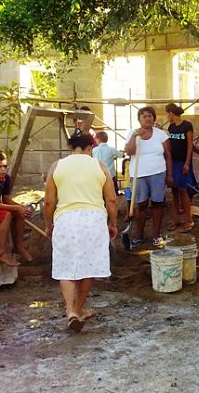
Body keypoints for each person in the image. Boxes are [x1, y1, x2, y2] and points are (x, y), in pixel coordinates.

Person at [44, 133, 118, 332]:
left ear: (71, 148)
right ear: (90, 148)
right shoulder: (100, 166)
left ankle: (71, 311)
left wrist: (49, 224)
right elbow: (111, 199)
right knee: (89, 266)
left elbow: (49, 201)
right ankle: (78, 309)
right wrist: (113, 223)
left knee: (66, 266)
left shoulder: (57, 166)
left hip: (66, 219)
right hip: (93, 220)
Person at [124, 106, 173, 249]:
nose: (148, 118)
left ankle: (156, 235)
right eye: (144, 116)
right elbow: (129, 152)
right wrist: (134, 137)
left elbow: (168, 155)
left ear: (154, 118)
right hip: (139, 174)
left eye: (150, 116)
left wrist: (170, 174)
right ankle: (139, 236)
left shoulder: (160, 134)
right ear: (139, 120)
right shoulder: (133, 133)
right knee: (141, 205)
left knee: (158, 204)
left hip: (158, 172)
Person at [165, 103, 196, 233]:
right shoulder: (171, 127)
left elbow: (190, 146)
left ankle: (189, 220)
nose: (167, 116)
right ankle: (177, 219)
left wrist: (187, 163)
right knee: (174, 191)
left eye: (167, 113)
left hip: (183, 162)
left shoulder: (187, 125)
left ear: (171, 113)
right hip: (173, 162)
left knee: (183, 191)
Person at [121, 156, 132, 221]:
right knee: (128, 200)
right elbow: (123, 172)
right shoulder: (125, 161)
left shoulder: (138, 160)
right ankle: (128, 214)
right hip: (128, 183)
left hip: (135, 183)